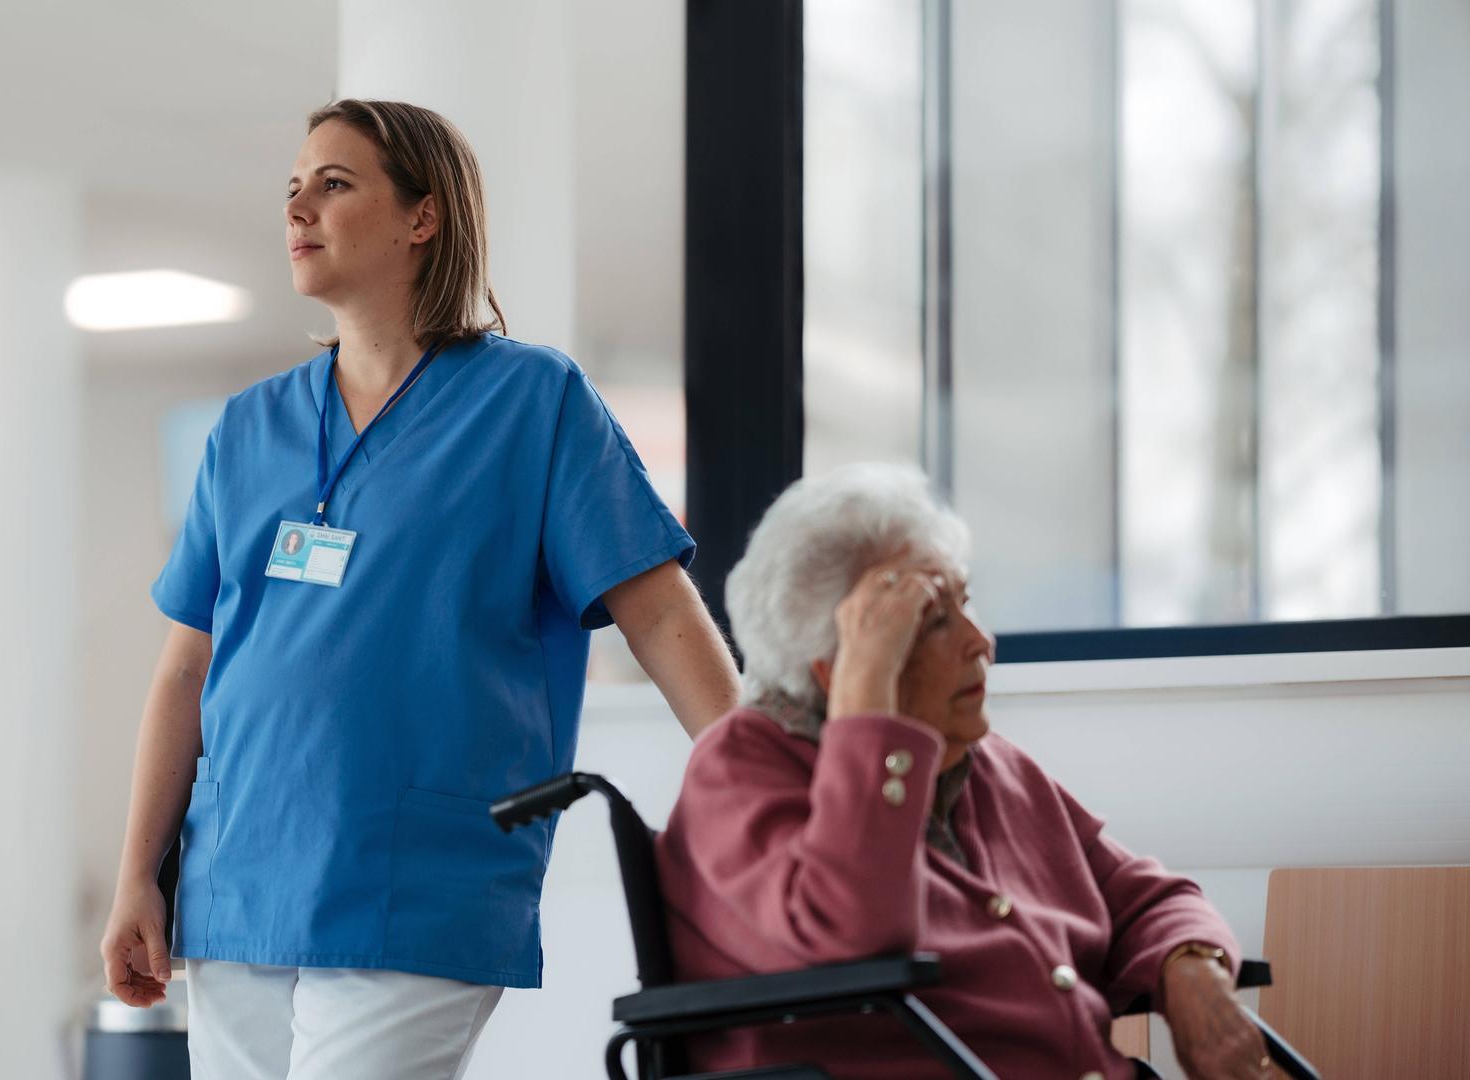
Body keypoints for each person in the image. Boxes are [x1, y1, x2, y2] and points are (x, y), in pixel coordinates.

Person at [99, 98, 741, 1080]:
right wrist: (136, 874)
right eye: (292, 190)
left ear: (422, 217)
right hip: (240, 881)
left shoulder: (530, 402)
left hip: (419, 875)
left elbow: (654, 607)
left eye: (335, 183)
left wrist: (764, 783)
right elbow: (189, 666)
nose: (299, 208)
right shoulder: (247, 430)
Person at [656, 464, 1272, 1080]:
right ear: (836, 670)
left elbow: (1143, 898)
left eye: (966, 601)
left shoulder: (988, 765)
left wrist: (1192, 973)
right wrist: (868, 702)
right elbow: (853, 933)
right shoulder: (740, 767)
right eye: (933, 620)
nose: (982, 643)